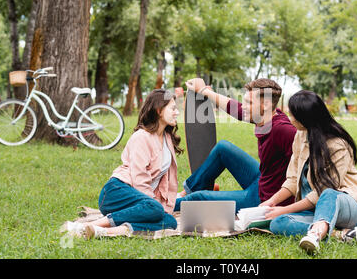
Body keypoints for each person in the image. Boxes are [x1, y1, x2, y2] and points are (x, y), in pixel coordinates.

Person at [62, 89, 182, 239]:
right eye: (173, 108)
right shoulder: (142, 137)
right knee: (155, 209)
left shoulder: (167, 138)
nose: (177, 112)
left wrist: (163, 207)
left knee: (170, 221)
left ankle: (103, 231)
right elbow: (139, 178)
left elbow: (166, 181)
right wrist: (153, 207)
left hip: (140, 201)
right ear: (159, 110)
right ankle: (89, 225)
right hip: (116, 192)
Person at [261, 90, 357, 254]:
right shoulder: (300, 135)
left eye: (293, 114)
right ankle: (341, 235)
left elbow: (323, 192)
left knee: (329, 194)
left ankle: (316, 235)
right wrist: (271, 202)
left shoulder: (338, 145)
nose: (290, 117)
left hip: (346, 207)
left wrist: (284, 209)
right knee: (277, 223)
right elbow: (292, 178)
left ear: (305, 118)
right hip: (315, 210)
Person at [175, 78, 297, 212]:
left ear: (266, 105)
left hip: (264, 198)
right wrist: (204, 91)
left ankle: (166, 205)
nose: (243, 106)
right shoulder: (268, 115)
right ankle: (187, 191)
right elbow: (236, 109)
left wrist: (288, 206)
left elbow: (306, 168)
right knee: (223, 148)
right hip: (262, 179)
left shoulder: (283, 130)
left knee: (198, 198)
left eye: (249, 103)